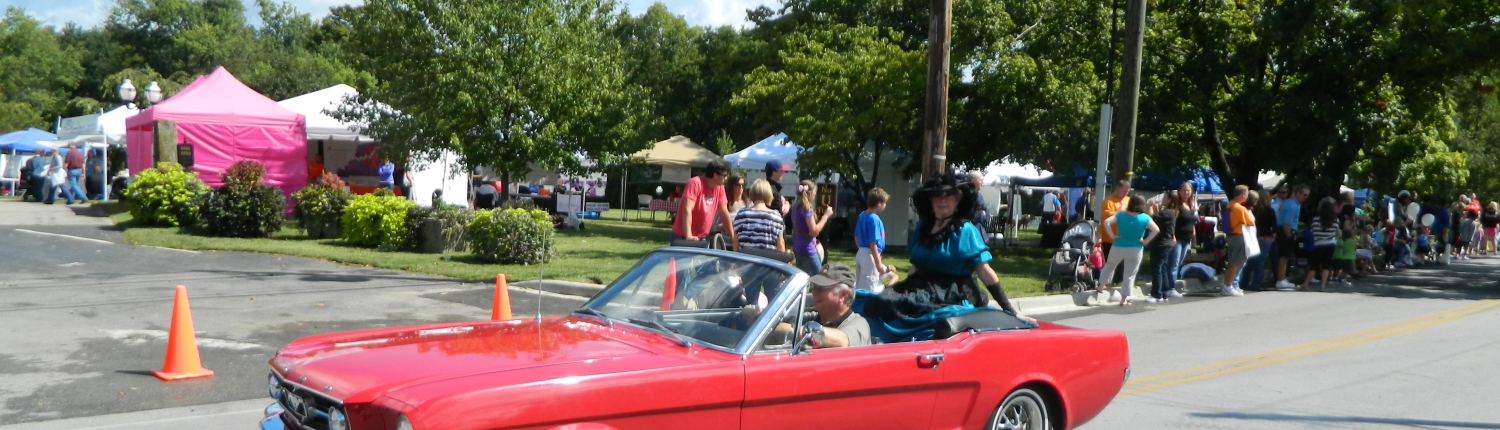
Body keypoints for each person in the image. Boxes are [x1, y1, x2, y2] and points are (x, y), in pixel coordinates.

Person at [861, 173, 1030, 322]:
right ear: (930, 201)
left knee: (904, 305)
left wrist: (1010, 311)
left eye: (949, 196)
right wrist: (902, 287)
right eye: (937, 196)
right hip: (921, 287)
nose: (943, 200)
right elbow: (916, 267)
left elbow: (984, 271)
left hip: (951, 291)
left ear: (957, 201)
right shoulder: (922, 228)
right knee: (877, 303)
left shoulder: (965, 230)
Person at [1099, 193, 1160, 306]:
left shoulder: (1121, 215)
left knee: (1110, 265)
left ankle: (1101, 286)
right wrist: (1145, 241)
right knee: (1129, 274)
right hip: (1135, 248)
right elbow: (1156, 230)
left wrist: (1112, 236)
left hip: (1118, 245)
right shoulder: (1145, 217)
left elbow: (1106, 222)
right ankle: (1123, 299)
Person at [734, 179, 787, 306]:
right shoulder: (775, 216)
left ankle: (751, 323)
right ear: (769, 194)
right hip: (770, 265)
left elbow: (736, 242)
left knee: (751, 302)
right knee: (774, 300)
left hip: (749, 264)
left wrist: (736, 263)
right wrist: (783, 266)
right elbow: (780, 244)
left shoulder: (742, 214)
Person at [673, 159, 737, 249]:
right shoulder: (695, 183)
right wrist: (689, 236)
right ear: (715, 175)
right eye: (724, 175)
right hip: (682, 236)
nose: (726, 178)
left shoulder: (720, 188)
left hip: (701, 237)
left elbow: (724, 212)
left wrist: (733, 236)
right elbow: (687, 209)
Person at [854, 188, 894, 293]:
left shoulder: (862, 215)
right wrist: (878, 263)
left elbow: (856, 237)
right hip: (870, 253)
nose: (885, 205)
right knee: (869, 285)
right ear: (879, 203)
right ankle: (866, 307)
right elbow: (873, 243)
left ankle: (858, 305)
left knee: (859, 284)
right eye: (884, 202)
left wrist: (861, 250)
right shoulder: (874, 219)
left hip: (860, 251)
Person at [790, 180, 833, 274]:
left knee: (802, 279)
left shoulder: (795, 206)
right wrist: (826, 216)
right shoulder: (806, 209)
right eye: (814, 192)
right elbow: (814, 231)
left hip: (797, 247)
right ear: (810, 193)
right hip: (807, 249)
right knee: (818, 279)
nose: (815, 195)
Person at [1298, 197, 1339, 291]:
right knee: (1326, 265)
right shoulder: (1335, 221)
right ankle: (1322, 286)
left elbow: (1312, 231)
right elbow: (1336, 232)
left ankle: (1305, 284)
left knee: (1314, 265)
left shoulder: (1316, 220)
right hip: (1330, 244)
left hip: (1318, 244)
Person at [1274, 185, 1310, 290]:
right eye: (1304, 195)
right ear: (1297, 193)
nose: (1306, 197)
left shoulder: (1293, 203)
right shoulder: (1292, 205)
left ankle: (1282, 279)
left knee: (1286, 257)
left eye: (1307, 195)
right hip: (1286, 231)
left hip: (1285, 230)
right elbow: (1286, 223)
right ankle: (1280, 280)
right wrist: (1290, 237)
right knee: (1284, 257)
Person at [1097, 179, 1131, 286]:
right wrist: (1119, 211)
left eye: (1127, 191)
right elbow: (1108, 216)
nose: (1125, 193)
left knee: (1122, 261)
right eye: (1124, 191)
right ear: (1117, 189)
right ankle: (1107, 282)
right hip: (1109, 238)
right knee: (1110, 261)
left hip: (1123, 236)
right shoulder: (1108, 201)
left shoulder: (1128, 200)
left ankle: (1118, 281)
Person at [1146, 192, 1178, 303]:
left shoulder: (1168, 212)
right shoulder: (1169, 212)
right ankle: (1164, 292)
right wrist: (1156, 208)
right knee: (1162, 267)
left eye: (1164, 197)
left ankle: (1156, 294)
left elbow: (1150, 219)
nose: (1162, 199)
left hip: (1161, 243)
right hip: (1165, 242)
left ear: (1169, 200)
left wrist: (1150, 206)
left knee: (1156, 268)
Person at [1168, 182, 1197, 299]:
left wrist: (1194, 238)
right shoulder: (1176, 205)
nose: (1186, 193)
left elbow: (1192, 223)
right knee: (1173, 264)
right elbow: (1171, 222)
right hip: (1177, 238)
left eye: (1188, 191)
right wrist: (1172, 236)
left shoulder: (1190, 205)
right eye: (1184, 190)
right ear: (1179, 191)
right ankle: (1169, 288)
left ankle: (1170, 285)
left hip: (1187, 239)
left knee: (1178, 263)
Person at [1221, 185, 1252, 296]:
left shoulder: (1229, 206)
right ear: (1243, 195)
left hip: (1230, 235)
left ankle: (1227, 285)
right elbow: (1250, 222)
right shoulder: (1239, 208)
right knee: (1236, 262)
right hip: (1238, 236)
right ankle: (1228, 286)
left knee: (1232, 262)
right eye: (1247, 194)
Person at [1244, 190, 1277, 291]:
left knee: (1249, 260)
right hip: (1266, 237)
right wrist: (1273, 238)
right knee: (1260, 261)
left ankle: (1243, 282)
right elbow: (1274, 227)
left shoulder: (1252, 210)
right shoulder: (1270, 210)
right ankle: (1256, 284)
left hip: (1254, 236)